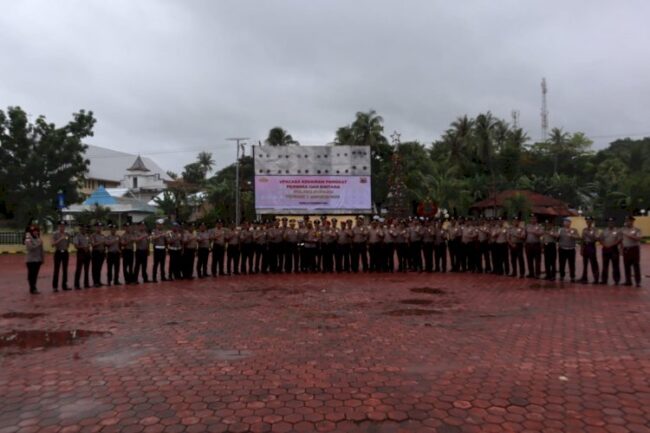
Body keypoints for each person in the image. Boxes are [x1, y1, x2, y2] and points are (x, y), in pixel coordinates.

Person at [621, 215, 642, 287]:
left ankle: (638, 282)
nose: (627, 222)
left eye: (629, 221)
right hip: (626, 249)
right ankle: (628, 281)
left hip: (634, 249)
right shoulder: (623, 229)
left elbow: (638, 238)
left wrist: (628, 235)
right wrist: (621, 249)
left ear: (632, 221)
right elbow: (621, 240)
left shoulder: (637, 230)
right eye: (626, 221)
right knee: (626, 265)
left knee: (636, 265)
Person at [599, 217, 622, 285]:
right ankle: (604, 280)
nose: (610, 223)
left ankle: (616, 280)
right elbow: (600, 239)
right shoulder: (604, 231)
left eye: (612, 222)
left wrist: (611, 245)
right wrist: (604, 245)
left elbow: (619, 240)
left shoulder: (618, 230)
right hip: (605, 249)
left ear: (614, 223)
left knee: (615, 265)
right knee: (605, 265)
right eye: (609, 222)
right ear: (607, 223)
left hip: (614, 249)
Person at [558, 218, 579, 282]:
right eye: (565, 222)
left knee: (572, 264)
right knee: (562, 263)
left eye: (568, 222)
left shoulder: (574, 230)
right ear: (563, 223)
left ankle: (572, 277)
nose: (566, 223)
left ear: (570, 223)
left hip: (571, 249)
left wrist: (572, 235)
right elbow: (557, 237)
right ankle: (562, 276)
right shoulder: (560, 229)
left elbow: (578, 237)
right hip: (562, 249)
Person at [51, 221, 71, 291]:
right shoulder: (55, 234)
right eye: (61, 226)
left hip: (65, 252)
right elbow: (52, 244)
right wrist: (60, 238)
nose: (62, 227)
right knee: (56, 270)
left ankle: (64, 285)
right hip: (58, 252)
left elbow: (68, 243)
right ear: (58, 226)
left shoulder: (67, 234)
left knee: (65, 270)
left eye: (63, 226)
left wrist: (65, 247)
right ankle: (55, 287)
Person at [25, 224, 44, 294]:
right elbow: (30, 247)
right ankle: (32, 288)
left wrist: (42, 258)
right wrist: (38, 244)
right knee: (31, 275)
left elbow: (41, 250)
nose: (35, 232)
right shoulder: (28, 238)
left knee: (35, 275)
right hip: (30, 260)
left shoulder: (38, 238)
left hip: (38, 259)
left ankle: (34, 287)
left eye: (36, 231)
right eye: (34, 231)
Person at [580, 216, 600, 284]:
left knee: (593, 262)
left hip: (591, 246)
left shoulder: (595, 229)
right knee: (585, 263)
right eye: (587, 221)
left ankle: (596, 278)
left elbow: (597, 238)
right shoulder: (584, 229)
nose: (588, 222)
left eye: (589, 220)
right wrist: (581, 249)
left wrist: (589, 234)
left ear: (592, 221)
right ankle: (584, 277)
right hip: (585, 246)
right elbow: (582, 239)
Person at [74, 225, 92, 289]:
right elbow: (76, 246)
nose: (84, 230)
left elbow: (89, 242)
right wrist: (83, 247)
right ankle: (77, 285)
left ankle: (86, 284)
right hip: (81, 253)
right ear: (80, 229)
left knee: (86, 270)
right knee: (79, 269)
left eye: (85, 229)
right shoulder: (77, 236)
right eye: (82, 229)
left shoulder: (87, 236)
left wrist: (88, 246)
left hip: (87, 253)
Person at [90, 222, 106, 287]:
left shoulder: (103, 235)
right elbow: (93, 244)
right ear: (95, 228)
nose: (99, 228)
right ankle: (95, 282)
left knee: (99, 268)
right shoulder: (93, 235)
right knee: (95, 268)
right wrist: (101, 242)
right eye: (98, 227)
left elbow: (105, 244)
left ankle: (99, 281)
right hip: (96, 253)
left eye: (100, 227)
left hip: (102, 253)